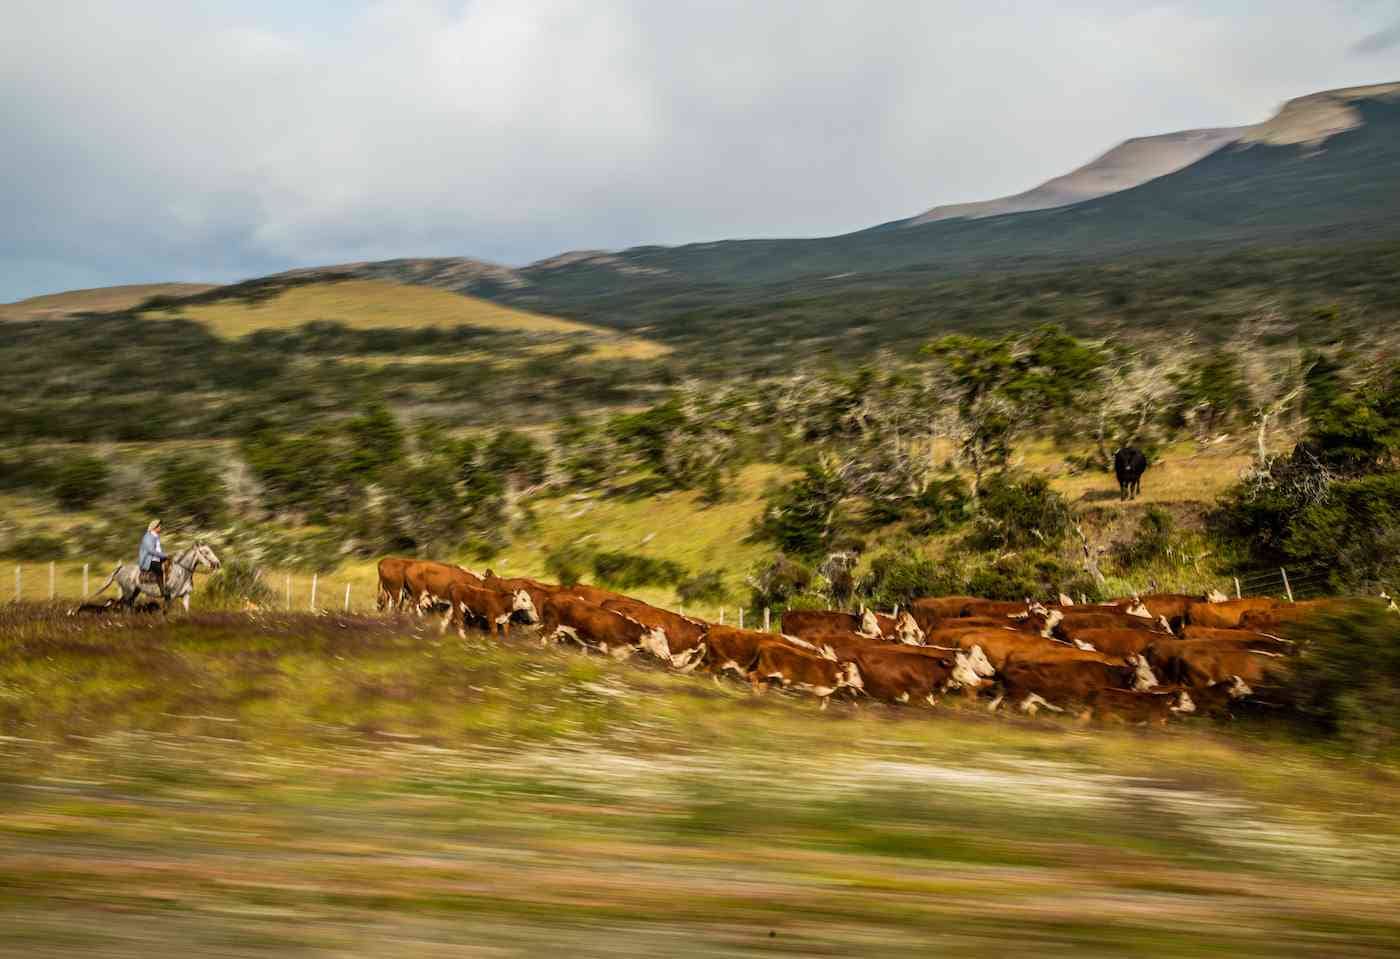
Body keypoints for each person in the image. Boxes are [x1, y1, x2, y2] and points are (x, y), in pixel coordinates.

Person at [139, 519, 168, 592]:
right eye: (159, 526)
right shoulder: (148, 536)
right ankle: (163, 590)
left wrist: (165, 556)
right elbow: (151, 550)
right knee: (159, 570)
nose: (161, 528)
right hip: (149, 560)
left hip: (157, 558)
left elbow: (158, 550)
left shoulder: (156, 536)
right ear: (155, 527)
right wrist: (163, 555)